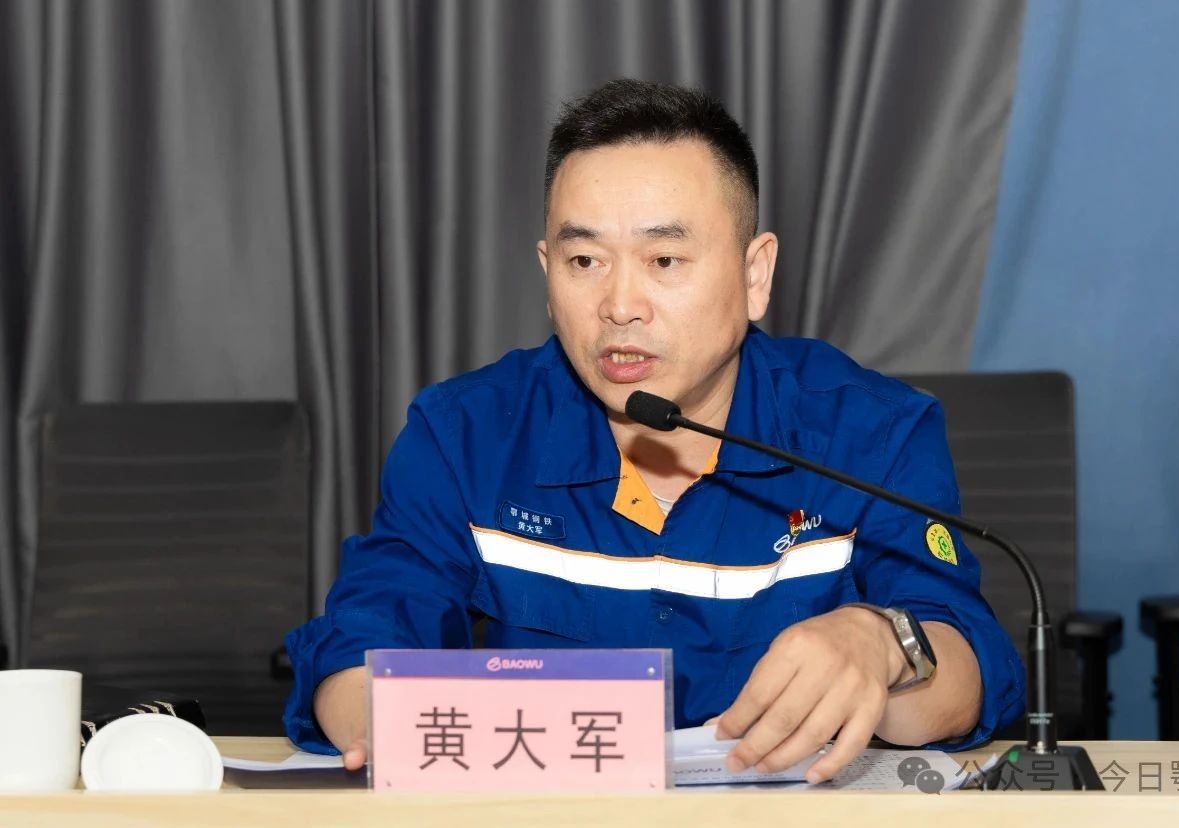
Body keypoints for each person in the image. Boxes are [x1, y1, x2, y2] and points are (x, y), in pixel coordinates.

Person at [283, 78, 1024, 784]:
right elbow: (364, 639)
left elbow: (966, 674)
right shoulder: (465, 435)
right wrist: (380, 717)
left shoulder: (870, 433)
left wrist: (882, 645)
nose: (620, 304)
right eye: (583, 260)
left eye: (664, 259)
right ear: (547, 272)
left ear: (755, 274)